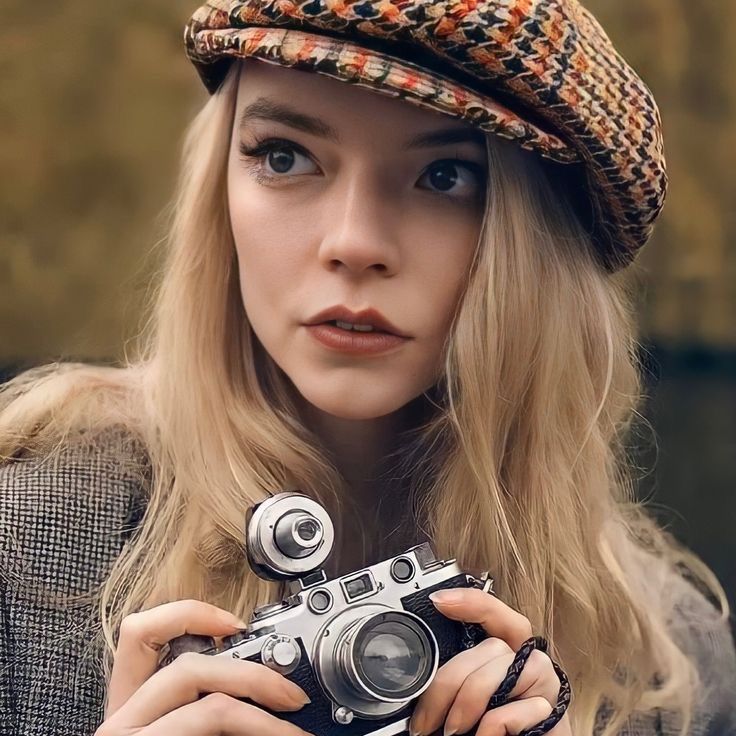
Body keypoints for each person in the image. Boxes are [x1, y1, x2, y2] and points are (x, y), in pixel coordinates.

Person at [1, 0, 734, 734]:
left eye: (447, 176)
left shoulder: (669, 666)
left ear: (540, 251)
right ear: (219, 186)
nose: (353, 242)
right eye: (284, 155)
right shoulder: (25, 554)